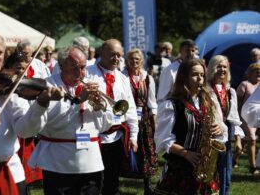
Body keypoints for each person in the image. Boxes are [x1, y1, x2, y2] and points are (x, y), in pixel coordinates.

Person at [0, 29, 63, 195]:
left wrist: (40, 104)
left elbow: (25, 130)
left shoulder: (13, 85)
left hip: (10, 174)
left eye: (0, 52)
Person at [29, 45, 114, 195]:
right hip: (58, 163)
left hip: (90, 162)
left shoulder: (92, 85)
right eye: (75, 68)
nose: (81, 73)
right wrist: (79, 101)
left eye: (83, 67)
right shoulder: (48, 86)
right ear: (61, 66)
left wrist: (100, 109)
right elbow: (47, 123)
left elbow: (105, 126)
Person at [154, 58, 224, 195]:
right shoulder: (172, 104)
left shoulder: (207, 100)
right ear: (184, 77)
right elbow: (162, 139)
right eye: (195, 75)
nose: (200, 79)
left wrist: (220, 128)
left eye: (202, 75)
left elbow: (219, 123)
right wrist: (185, 153)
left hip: (204, 164)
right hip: (181, 166)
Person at [86, 39, 139, 195]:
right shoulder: (88, 73)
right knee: (93, 183)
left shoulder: (122, 78)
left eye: (119, 55)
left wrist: (133, 136)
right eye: (113, 54)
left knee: (112, 181)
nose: (116, 58)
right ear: (102, 53)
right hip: (94, 137)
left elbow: (130, 108)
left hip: (116, 138)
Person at [122, 48, 158, 195]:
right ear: (127, 61)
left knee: (146, 150)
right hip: (126, 118)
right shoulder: (122, 77)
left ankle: (147, 185)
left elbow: (152, 102)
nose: (134, 61)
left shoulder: (147, 78)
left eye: (137, 59)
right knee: (125, 149)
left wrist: (154, 119)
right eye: (132, 59)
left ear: (141, 61)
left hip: (143, 119)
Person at [206, 55, 243, 195]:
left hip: (225, 139)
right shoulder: (204, 89)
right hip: (208, 138)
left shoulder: (230, 91)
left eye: (225, 66)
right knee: (208, 175)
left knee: (225, 175)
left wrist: (238, 139)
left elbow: (234, 118)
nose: (222, 69)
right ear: (212, 68)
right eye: (219, 66)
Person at [233, 63, 260, 174]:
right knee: (252, 139)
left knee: (244, 141)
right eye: (256, 71)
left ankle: (233, 159)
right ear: (250, 73)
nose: (259, 73)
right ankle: (253, 167)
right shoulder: (244, 84)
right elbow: (237, 102)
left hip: (256, 117)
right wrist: (237, 116)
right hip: (244, 117)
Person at [157, 39, 196, 103]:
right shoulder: (170, 70)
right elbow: (162, 98)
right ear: (180, 51)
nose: (190, 53)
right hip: (175, 109)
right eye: (187, 50)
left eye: (193, 51)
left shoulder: (195, 69)